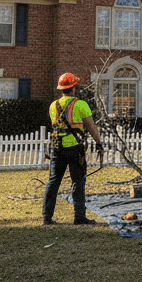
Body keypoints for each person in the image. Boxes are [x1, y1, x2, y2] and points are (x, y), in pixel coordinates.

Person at [42, 72, 103, 226]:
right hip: (76, 149)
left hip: (57, 149)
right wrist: (99, 142)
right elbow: (91, 126)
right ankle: (79, 217)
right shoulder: (80, 104)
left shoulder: (53, 106)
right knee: (78, 182)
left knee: (53, 182)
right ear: (74, 88)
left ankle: (47, 217)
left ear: (61, 89)